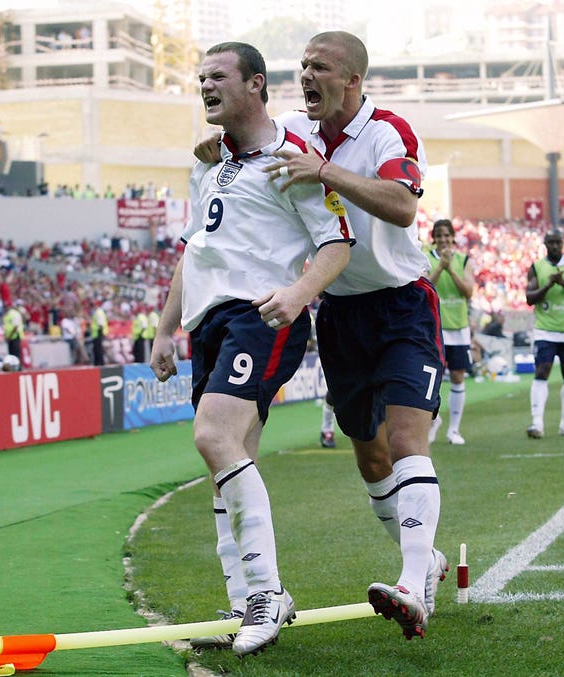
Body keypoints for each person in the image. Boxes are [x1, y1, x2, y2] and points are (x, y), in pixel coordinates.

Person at [197, 31, 450, 641]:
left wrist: (325, 169)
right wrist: (214, 144)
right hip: (338, 311)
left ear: (352, 81)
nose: (306, 76)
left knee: (407, 436)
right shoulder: (290, 126)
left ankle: (414, 583)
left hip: (401, 304)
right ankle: (430, 561)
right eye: (301, 66)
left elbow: (403, 205)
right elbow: (241, 140)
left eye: (320, 68)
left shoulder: (387, 130)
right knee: (370, 457)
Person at [150, 41, 353, 657]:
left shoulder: (292, 160)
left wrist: (299, 295)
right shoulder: (208, 165)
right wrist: (165, 328)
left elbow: (337, 242)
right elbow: (195, 249)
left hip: (263, 314)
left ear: (256, 84)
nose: (205, 87)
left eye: (217, 77)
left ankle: (267, 595)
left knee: (214, 438)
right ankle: (245, 607)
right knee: (225, 463)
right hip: (208, 322)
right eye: (200, 79)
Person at [525, 227, 564, 438]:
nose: (554, 246)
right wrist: (549, 285)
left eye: (557, 243)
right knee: (542, 371)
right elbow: (530, 297)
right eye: (550, 243)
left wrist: (562, 282)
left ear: (563, 244)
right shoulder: (536, 267)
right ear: (545, 244)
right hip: (546, 330)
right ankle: (537, 423)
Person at [425, 219, 474, 445]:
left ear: (453, 237)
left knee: (457, 377)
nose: (443, 239)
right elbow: (424, 287)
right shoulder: (425, 255)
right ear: (433, 237)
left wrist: (451, 268)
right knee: (431, 379)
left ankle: (454, 429)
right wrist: (440, 267)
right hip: (433, 327)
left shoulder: (464, 260)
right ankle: (433, 420)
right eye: (439, 235)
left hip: (459, 328)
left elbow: (468, 291)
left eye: (447, 235)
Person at [90, 300, 108, 366]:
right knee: (97, 349)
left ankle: (100, 363)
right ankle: (98, 363)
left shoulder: (99, 312)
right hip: (97, 333)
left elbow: (100, 324)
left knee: (98, 349)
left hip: (98, 333)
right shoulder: (98, 312)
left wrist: (100, 333)